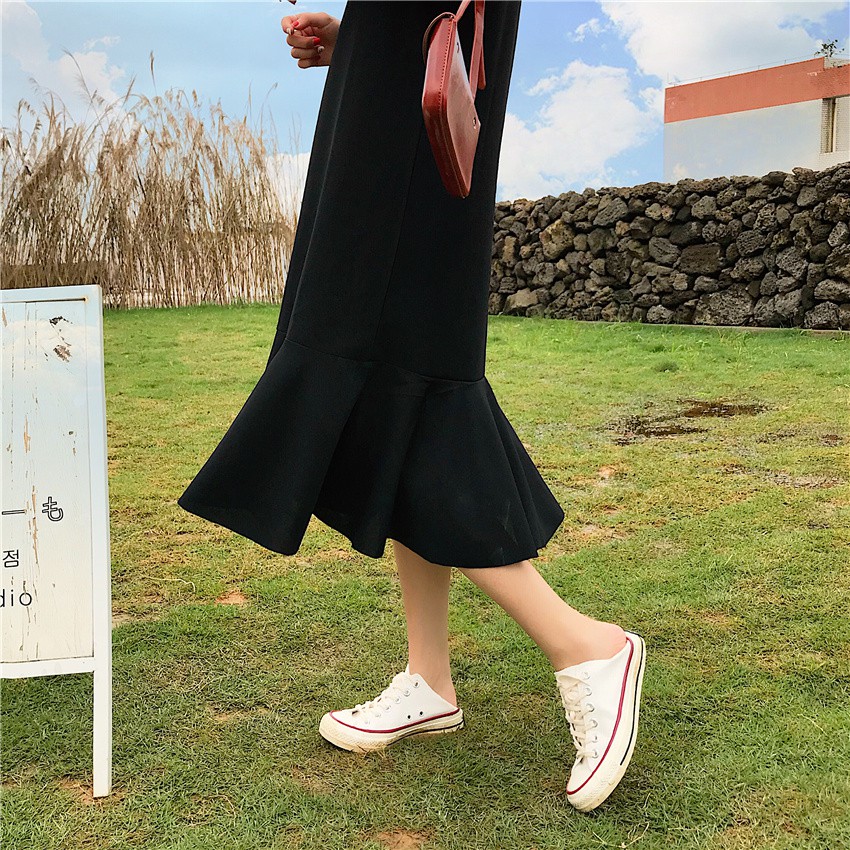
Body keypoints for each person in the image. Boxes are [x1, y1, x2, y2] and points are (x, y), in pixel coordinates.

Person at [178, 1, 645, 813]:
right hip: (389, 90)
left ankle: (586, 645)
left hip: (413, 125)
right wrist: (360, 38)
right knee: (396, 378)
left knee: (391, 366)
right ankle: (429, 677)